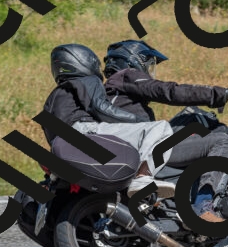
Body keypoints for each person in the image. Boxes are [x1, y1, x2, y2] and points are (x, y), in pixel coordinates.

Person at [103, 40, 228, 222]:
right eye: (148, 65)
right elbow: (168, 91)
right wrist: (221, 94)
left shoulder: (113, 91)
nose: (149, 71)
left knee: (192, 116)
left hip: (134, 143)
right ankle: (203, 206)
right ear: (132, 61)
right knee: (222, 142)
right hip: (143, 148)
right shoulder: (126, 76)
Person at [43, 43, 177, 198]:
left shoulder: (52, 98)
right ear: (85, 61)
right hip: (85, 132)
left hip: (62, 147)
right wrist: (139, 122)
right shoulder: (88, 80)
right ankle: (142, 177)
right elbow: (101, 108)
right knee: (161, 128)